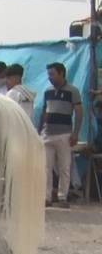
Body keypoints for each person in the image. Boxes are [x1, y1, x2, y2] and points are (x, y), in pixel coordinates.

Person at [38, 61, 82, 209]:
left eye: (52, 74)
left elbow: (79, 112)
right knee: (46, 167)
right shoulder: (48, 91)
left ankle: (62, 197)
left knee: (64, 167)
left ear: (61, 74)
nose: (50, 77)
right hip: (47, 134)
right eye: (49, 74)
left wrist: (75, 133)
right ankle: (46, 196)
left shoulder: (73, 91)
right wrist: (39, 132)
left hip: (64, 134)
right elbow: (44, 112)